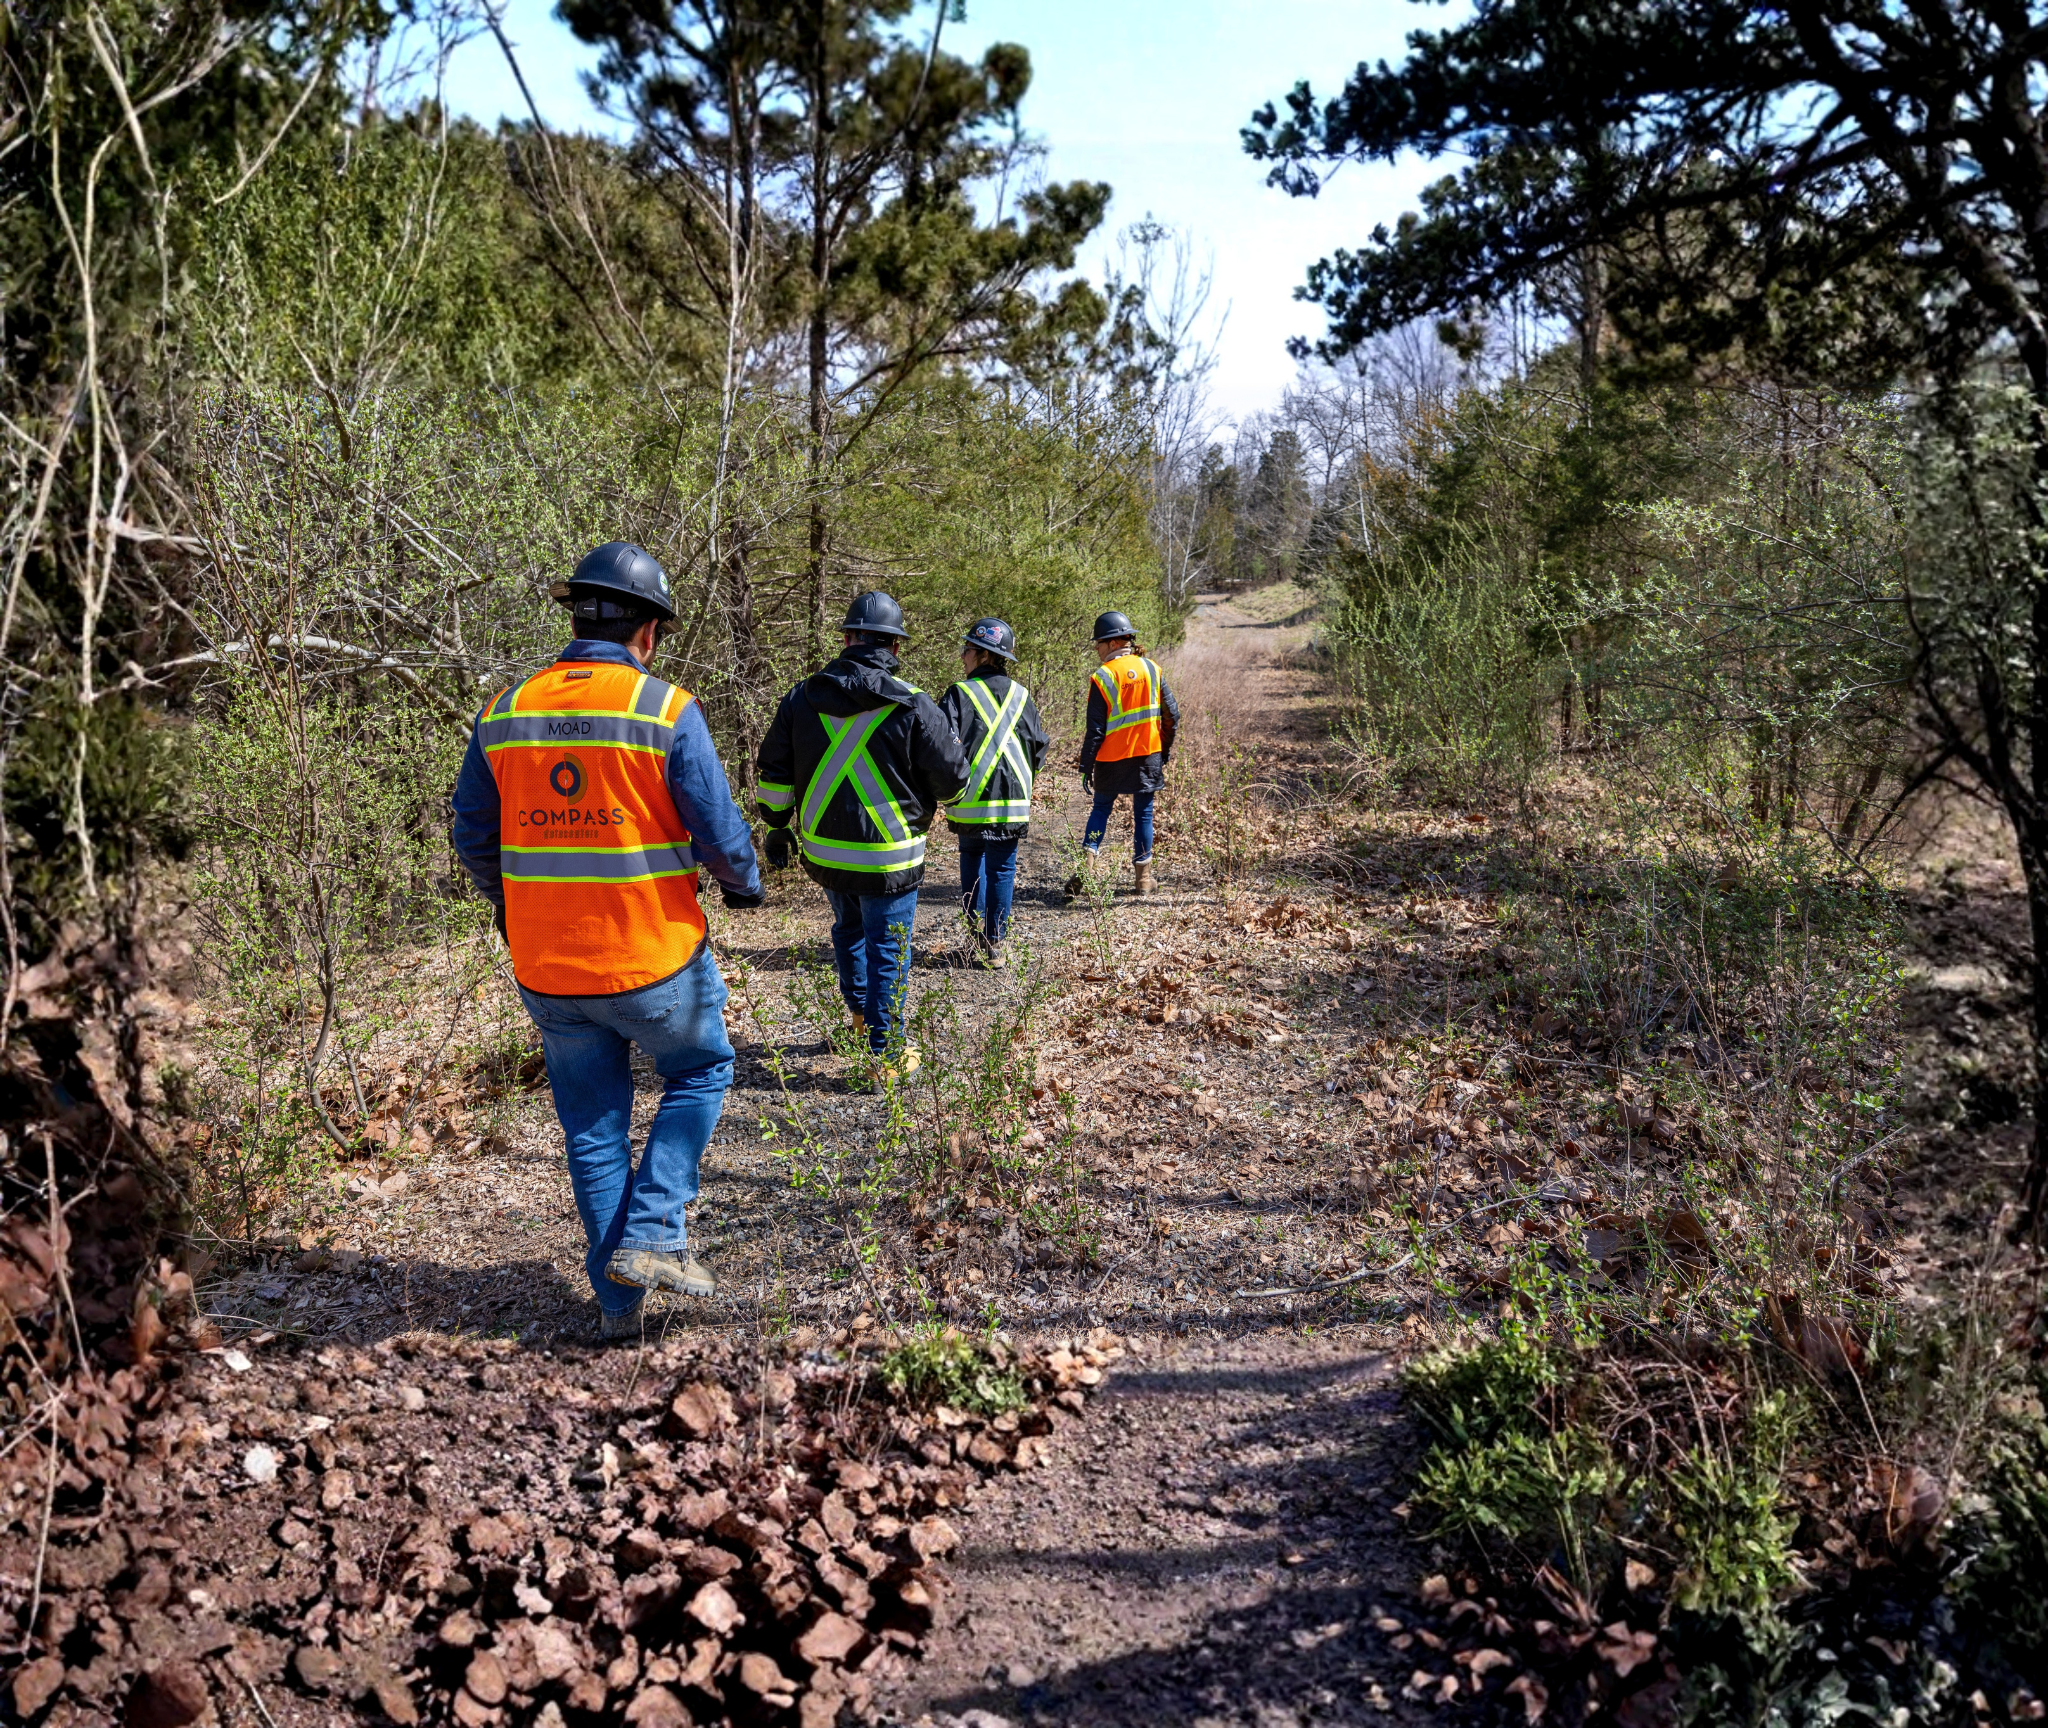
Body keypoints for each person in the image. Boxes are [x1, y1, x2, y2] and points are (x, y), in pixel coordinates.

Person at [450, 541, 764, 1345]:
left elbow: (474, 839)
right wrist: (745, 883)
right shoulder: (664, 709)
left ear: (576, 615)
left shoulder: (504, 711)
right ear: (648, 631)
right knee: (703, 1069)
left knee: (592, 1128)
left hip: (547, 967)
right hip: (653, 958)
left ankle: (618, 1309)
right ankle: (656, 1229)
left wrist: (517, 906)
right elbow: (720, 831)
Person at [755, 592, 968, 1082]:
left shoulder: (801, 696)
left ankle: (857, 1020)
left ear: (847, 639)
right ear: (894, 647)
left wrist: (776, 824)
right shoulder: (913, 701)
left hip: (827, 852)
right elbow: (953, 779)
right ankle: (886, 1056)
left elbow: (774, 772)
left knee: (848, 933)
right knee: (888, 947)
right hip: (890, 858)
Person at [938, 617, 1049, 968]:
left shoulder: (959, 693)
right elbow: (1039, 748)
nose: (962, 656)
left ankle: (973, 939)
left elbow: (942, 747)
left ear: (984, 655)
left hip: (969, 800)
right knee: (1002, 869)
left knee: (972, 859)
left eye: (967, 649)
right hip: (1014, 801)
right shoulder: (1022, 695)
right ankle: (996, 945)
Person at [1068, 610, 1180, 900]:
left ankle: (1085, 872)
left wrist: (1086, 766)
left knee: (1100, 810)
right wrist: (1162, 750)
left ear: (1114, 643)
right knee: (1143, 814)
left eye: (1100, 642)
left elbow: (1095, 729)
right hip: (1147, 757)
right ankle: (1143, 881)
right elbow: (1172, 715)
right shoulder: (1152, 669)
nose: (1096, 647)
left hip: (1110, 760)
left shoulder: (1103, 676)